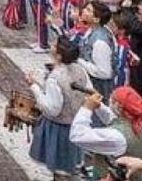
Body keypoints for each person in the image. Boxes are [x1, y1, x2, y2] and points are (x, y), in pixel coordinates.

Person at [27, 38, 92, 180]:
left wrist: (34, 87)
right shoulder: (80, 70)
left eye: (54, 46)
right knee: (70, 168)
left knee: (60, 170)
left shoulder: (55, 78)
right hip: (76, 124)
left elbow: (52, 109)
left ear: (59, 55)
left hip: (59, 130)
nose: (51, 46)